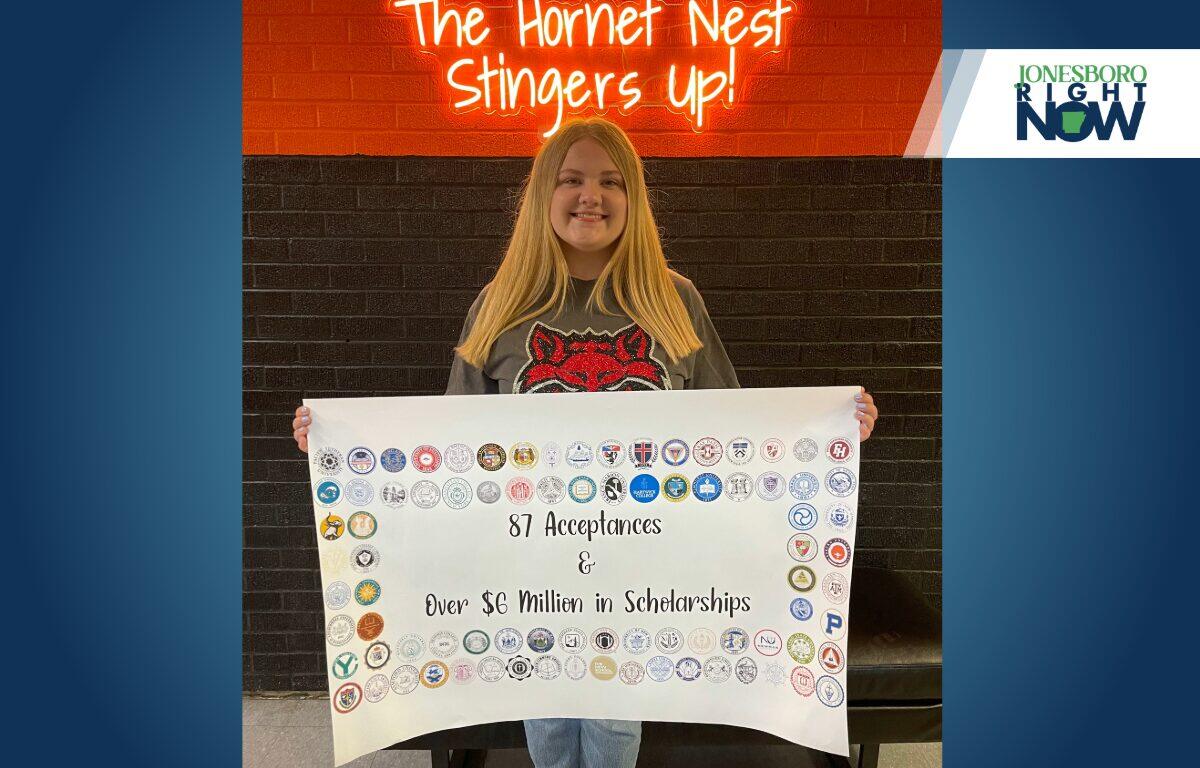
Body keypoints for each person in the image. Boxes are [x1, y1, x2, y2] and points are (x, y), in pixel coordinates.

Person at [291, 117, 880, 768]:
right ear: (544, 194)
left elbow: (734, 427)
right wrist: (342, 448)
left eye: (610, 181)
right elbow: (448, 444)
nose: (589, 195)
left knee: (610, 717)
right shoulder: (503, 305)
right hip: (529, 567)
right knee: (547, 715)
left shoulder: (672, 300)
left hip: (644, 565)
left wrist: (831, 430)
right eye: (571, 179)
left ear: (634, 200)